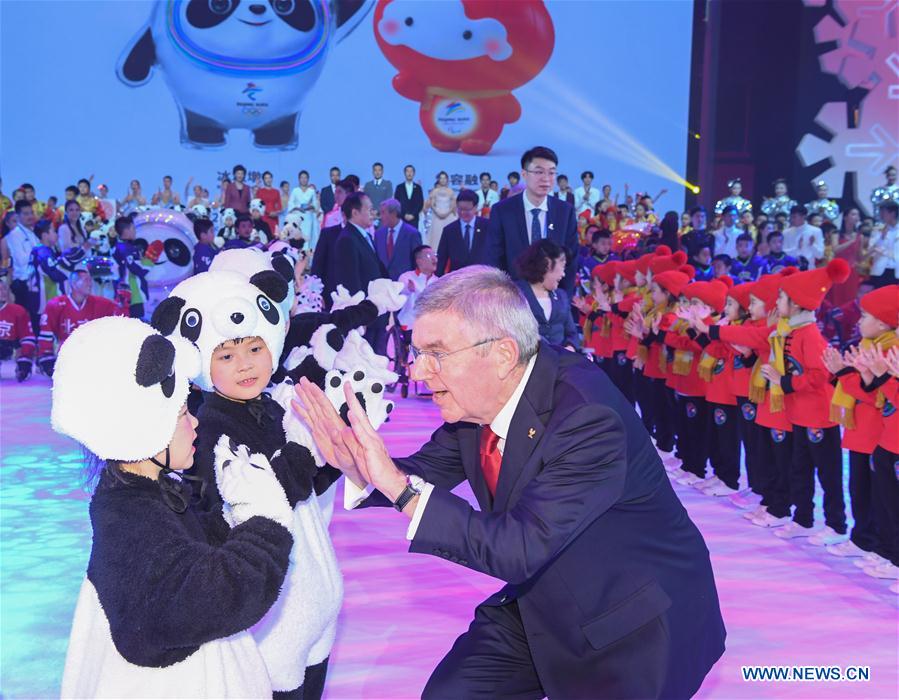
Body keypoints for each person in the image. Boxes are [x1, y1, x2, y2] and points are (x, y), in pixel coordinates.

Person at [295, 266, 725, 699]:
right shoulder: (480, 401)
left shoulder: (587, 418)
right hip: (542, 600)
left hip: (629, 626)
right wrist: (361, 466)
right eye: (416, 351)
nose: (418, 372)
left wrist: (398, 487)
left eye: (436, 354)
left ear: (502, 353)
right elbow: (425, 470)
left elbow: (517, 547)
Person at [53, 316, 293, 697]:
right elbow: (214, 597)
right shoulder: (132, 523)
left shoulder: (148, 491)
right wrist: (266, 519)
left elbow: (190, 554)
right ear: (142, 425)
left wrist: (229, 522)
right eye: (182, 413)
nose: (195, 423)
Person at [760, 260, 851, 543]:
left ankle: (836, 524)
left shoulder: (809, 334)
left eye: (782, 298)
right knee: (800, 469)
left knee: (828, 473)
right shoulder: (791, 331)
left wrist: (783, 382)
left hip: (818, 416)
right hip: (799, 413)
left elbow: (818, 375)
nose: (777, 302)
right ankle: (803, 518)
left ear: (797, 304)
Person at [486, 146, 579, 295]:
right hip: (513, 299)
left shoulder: (564, 212)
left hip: (553, 300)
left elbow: (571, 260)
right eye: (539, 172)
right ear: (524, 174)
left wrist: (563, 300)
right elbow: (494, 258)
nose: (546, 178)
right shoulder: (503, 211)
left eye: (551, 172)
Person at [37, 264, 124, 376]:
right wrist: (46, 356)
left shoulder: (101, 303)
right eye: (86, 280)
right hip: (66, 356)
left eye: (90, 280)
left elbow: (121, 319)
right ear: (73, 283)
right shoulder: (56, 304)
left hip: (93, 356)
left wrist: (123, 304)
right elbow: (46, 333)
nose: (90, 283)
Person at [334, 192, 389, 351]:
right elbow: (351, 281)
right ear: (355, 212)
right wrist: (360, 317)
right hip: (365, 317)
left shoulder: (365, 236)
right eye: (369, 209)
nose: (373, 213)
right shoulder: (347, 239)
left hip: (375, 312)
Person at [514, 239, 579, 350]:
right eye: (562, 266)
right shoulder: (515, 294)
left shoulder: (561, 296)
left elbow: (572, 334)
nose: (563, 274)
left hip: (560, 363)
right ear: (548, 264)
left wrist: (570, 347)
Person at [312, 178, 355, 305]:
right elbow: (320, 256)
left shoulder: (362, 221)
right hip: (331, 279)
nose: (336, 195)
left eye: (339, 192)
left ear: (349, 194)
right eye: (335, 192)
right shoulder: (330, 216)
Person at [6, 199, 40, 332]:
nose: (30, 216)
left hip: (34, 282)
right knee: (26, 320)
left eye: (31, 213)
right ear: (18, 216)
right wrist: (38, 255)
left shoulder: (32, 233)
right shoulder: (14, 235)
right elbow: (21, 260)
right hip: (22, 283)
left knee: (35, 317)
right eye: (25, 214)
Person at [436, 189, 489, 275]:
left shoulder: (487, 226)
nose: (463, 213)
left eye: (467, 209)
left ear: (476, 207)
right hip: (457, 279)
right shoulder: (449, 230)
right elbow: (441, 259)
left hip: (482, 278)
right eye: (460, 209)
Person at [30, 220, 72, 315]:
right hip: (45, 301)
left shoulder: (39, 250)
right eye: (53, 231)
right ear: (45, 235)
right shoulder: (43, 253)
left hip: (43, 298)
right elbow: (56, 274)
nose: (57, 234)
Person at [112, 216, 151, 319]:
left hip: (123, 294)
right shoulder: (127, 249)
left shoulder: (117, 247)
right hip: (133, 294)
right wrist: (150, 261)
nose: (135, 232)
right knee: (135, 324)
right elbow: (138, 270)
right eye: (133, 229)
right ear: (126, 230)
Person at [374, 198, 422, 281]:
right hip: (383, 285)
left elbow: (418, 262)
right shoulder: (378, 234)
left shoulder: (412, 234)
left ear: (394, 213)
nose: (380, 217)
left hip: (405, 285)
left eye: (383, 213)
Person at [0, 277, 36, 381]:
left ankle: (22, 367)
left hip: (11, 346)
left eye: (4, 289)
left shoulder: (18, 311)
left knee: (24, 365)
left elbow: (27, 336)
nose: (2, 292)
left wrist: (24, 356)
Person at [828, 207, 863, 304]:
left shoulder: (859, 236)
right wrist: (851, 241)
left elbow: (860, 257)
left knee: (849, 299)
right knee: (836, 298)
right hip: (838, 270)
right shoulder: (836, 234)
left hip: (852, 272)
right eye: (853, 214)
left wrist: (872, 250)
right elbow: (836, 250)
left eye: (858, 215)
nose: (856, 217)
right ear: (845, 217)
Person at [782, 205, 824, 269]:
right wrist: (797, 247)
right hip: (791, 269)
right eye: (791, 217)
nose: (792, 220)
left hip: (809, 269)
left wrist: (812, 245)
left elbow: (820, 255)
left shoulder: (816, 231)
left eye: (794, 217)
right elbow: (783, 254)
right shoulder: (786, 232)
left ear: (803, 217)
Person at [424, 171, 457, 251]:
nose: (443, 180)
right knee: (437, 236)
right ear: (438, 180)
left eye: (444, 178)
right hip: (437, 216)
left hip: (448, 216)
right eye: (441, 178)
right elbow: (432, 204)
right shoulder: (434, 191)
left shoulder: (451, 191)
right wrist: (438, 212)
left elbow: (453, 204)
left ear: (447, 180)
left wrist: (447, 213)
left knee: (449, 236)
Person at [867, 201, 898, 288]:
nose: (881, 215)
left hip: (896, 270)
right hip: (880, 270)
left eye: (883, 212)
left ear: (893, 213)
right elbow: (871, 250)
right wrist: (881, 237)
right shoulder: (877, 229)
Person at [288, 170, 320, 250]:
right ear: (299, 179)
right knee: (297, 236)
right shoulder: (295, 190)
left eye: (305, 177)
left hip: (308, 217)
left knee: (308, 237)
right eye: (302, 177)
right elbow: (291, 204)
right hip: (297, 217)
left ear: (308, 179)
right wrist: (298, 207)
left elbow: (315, 205)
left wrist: (309, 207)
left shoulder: (311, 191)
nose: (303, 179)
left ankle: (307, 257)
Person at [394, 164, 425, 229]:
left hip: (414, 219)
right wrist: (404, 214)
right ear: (404, 173)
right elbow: (396, 202)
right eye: (407, 171)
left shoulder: (418, 188)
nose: (409, 173)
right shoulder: (399, 187)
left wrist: (413, 215)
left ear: (414, 173)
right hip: (402, 218)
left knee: (413, 237)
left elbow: (420, 203)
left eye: (411, 171)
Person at [255, 170, 282, 235]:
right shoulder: (260, 191)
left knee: (274, 237)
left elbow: (279, 206)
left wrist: (276, 212)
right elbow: (258, 206)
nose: (268, 180)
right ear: (263, 180)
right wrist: (268, 212)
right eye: (266, 178)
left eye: (270, 178)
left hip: (274, 218)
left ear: (272, 179)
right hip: (263, 218)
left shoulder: (276, 192)